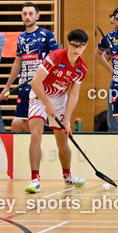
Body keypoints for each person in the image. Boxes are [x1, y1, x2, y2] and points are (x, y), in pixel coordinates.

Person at [25, 29, 91, 193]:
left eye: (80, 46)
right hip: (40, 96)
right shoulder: (54, 57)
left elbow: (74, 95)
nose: (76, 49)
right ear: (68, 44)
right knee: (36, 133)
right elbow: (35, 82)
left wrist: (67, 120)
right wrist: (47, 103)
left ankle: (68, 176)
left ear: (85, 47)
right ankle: (35, 179)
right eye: (74, 45)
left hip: (60, 100)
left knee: (62, 142)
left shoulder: (82, 68)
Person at [1, 2, 59, 132]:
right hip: (24, 85)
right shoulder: (21, 38)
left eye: (31, 14)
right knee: (18, 123)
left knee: (38, 121)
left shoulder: (46, 35)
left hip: (41, 87)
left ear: (37, 16)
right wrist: (7, 86)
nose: (27, 17)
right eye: (24, 14)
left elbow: (56, 60)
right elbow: (18, 62)